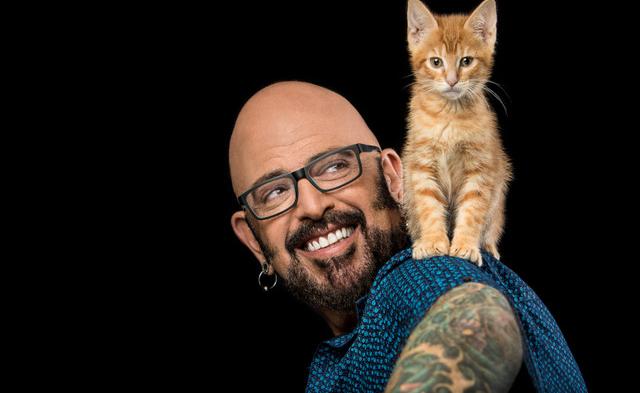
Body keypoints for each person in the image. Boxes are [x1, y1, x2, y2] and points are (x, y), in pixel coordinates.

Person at [229, 81, 586, 392]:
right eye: (273, 192)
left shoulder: (416, 277)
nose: (311, 205)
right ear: (254, 241)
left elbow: (477, 319)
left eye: (336, 166)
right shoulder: (344, 352)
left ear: (394, 179)